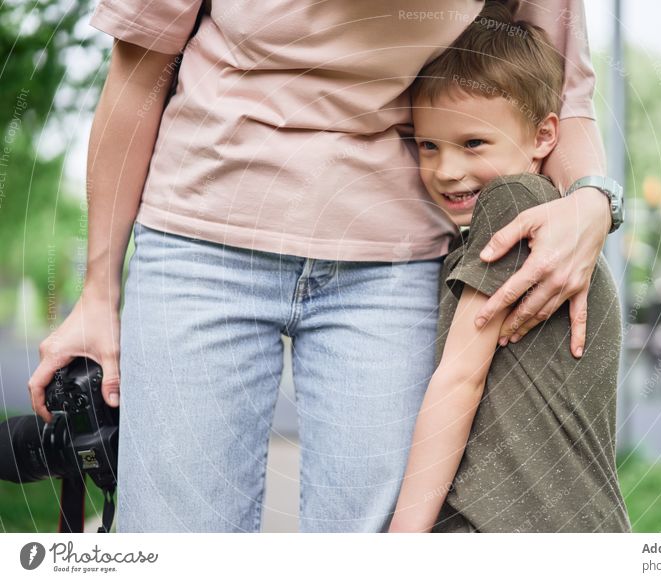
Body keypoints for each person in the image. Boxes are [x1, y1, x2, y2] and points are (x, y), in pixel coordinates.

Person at [27, 0, 618, 532]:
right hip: (203, 234)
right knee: (175, 544)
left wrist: (593, 199)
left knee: (375, 541)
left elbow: (560, 95)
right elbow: (137, 73)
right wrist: (97, 294)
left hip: (393, 261)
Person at [389, 3, 630, 532]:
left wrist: (400, 543)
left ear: (545, 135)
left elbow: (460, 380)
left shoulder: (513, 203)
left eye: (473, 143)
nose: (447, 170)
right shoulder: (522, 229)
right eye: (428, 145)